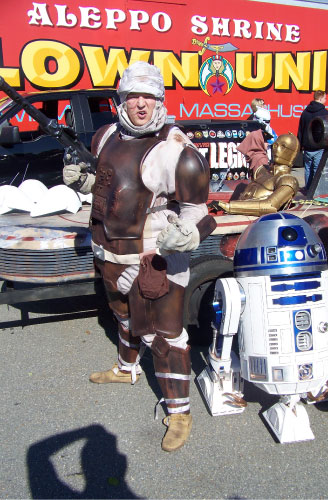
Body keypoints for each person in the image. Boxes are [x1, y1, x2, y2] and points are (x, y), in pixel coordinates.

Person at [63, 61, 216, 452]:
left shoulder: (176, 151)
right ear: (121, 101)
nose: (141, 105)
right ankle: (127, 368)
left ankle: (179, 412)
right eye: (134, 97)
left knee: (164, 335)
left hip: (153, 254)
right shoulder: (105, 136)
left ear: (160, 100)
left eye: (149, 97)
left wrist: (189, 234)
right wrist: (84, 181)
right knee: (123, 315)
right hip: (107, 249)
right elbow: (109, 186)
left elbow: (202, 213)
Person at [209, 133, 300, 216]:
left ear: (292, 153)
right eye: (275, 145)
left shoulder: (288, 180)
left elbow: (270, 206)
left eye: (283, 146)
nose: (276, 149)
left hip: (257, 223)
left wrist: (229, 207)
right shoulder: (262, 171)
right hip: (238, 216)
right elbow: (254, 151)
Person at [297, 90, 328, 190]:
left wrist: (300, 144)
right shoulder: (324, 113)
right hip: (319, 146)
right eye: (325, 98)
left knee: (307, 168)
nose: (326, 100)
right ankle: (315, 190)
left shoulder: (305, 112)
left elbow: (301, 129)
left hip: (307, 146)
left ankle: (308, 188)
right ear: (320, 98)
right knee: (317, 168)